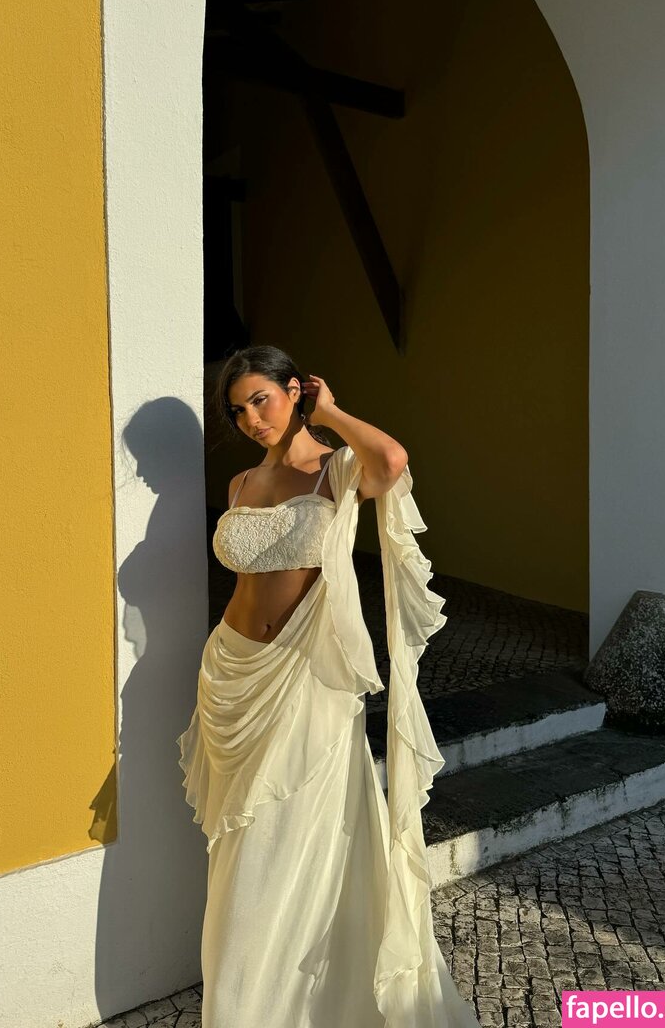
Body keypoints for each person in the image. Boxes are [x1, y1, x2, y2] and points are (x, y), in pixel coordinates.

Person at [177, 345, 480, 1028]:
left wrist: (333, 413)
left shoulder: (337, 470)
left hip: (306, 678)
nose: (252, 419)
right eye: (238, 410)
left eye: (261, 399)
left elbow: (392, 461)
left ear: (295, 390)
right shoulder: (241, 484)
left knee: (288, 839)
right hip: (234, 672)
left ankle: (291, 1005)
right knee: (241, 844)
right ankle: (243, 1004)